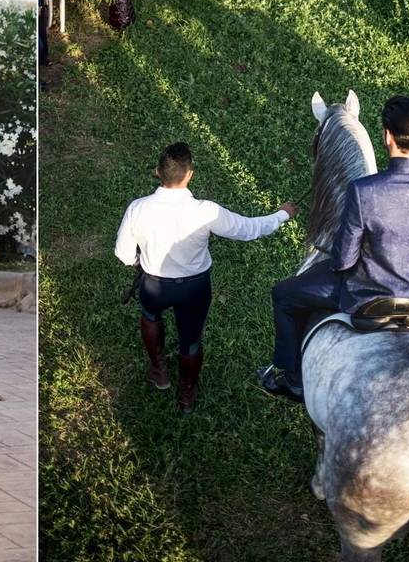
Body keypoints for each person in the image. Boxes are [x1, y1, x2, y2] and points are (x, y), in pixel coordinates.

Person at [260, 96, 409, 403]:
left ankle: (291, 379)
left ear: (387, 136)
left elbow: (344, 258)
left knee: (283, 294)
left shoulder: (365, 191)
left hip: (369, 297)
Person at [115, 142, 297, 412]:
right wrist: (282, 214)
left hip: (154, 285)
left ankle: (159, 370)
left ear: (157, 172)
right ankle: (187, 393)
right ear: (190, 174)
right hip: (194, 288)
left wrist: (139, 262)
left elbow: (123, 253)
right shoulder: (206, 211)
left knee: (150, 316)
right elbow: (248, 229)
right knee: (191, 340)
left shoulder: (137, 208)